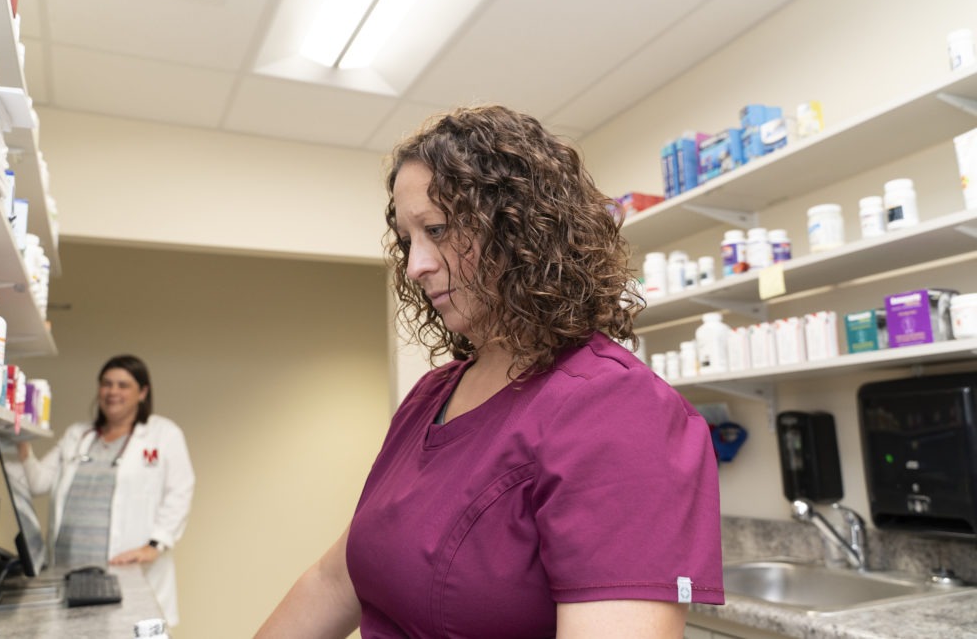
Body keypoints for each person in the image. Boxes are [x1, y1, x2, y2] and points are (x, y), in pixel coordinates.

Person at [256, 105, 723, 638]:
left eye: (437, 229)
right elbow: (334, 580)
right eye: (409, 240)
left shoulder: (619, 410)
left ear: (522, 230)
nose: (416, 265)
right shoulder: (432, 396)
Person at [19, 354, 195, 626]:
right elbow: (37, 482)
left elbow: (180, 491)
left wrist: (155, 544)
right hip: (68, 569)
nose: (113, 392)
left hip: (125, 572)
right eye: (107, 383)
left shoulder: (163, 434)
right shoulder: (78, 435)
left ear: (143, 392)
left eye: (123, 385)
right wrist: (20, 442)